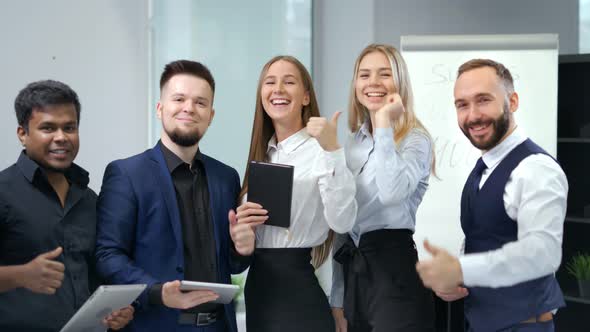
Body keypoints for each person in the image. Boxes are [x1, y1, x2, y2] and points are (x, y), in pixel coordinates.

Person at [95, 60, 253, 332]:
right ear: (160, 109)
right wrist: (156, 291)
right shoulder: (127, 173)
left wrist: (243, 249)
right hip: (155, 324)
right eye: (179, 99)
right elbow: (108, 254)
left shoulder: (226, 177)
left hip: (219, 327)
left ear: (211, 115)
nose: (189, 108)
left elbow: (231, 265)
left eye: (200, 103)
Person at [416, 59, 567, 332]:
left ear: (513, 101)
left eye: (483, 100)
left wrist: (462, 269)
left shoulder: (536, 169)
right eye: (462, 104)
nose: (472, 115)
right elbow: (487, 238)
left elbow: (542, 254)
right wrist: (455, 282)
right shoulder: (484, 167)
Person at [232, 55, 357, 332]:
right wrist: (243, 233)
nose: (278, 89)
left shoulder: (322, 151)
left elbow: (343, 222)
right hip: (259, 291)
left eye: (289, 82)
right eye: (270, 82)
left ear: (305, 97)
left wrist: (332, 151)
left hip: (297, 292)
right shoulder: (263, 155)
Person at [0, 80, 133, 331]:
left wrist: (115, 312)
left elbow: (95, 279)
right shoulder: (3, 192)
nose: (61, 137)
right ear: (22, 134)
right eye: (48, 128)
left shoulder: (89, 199)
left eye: (69, 127)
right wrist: (21, 275)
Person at [330, 44, 436, 332]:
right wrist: (338, 299)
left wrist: (384, 123)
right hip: (356, 274)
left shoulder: (416, 139)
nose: (373, 82)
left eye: (384, 74)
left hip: (395, 273)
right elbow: (344, 228)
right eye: (364, 75)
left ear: (399, 81)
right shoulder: (355, 143)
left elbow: (391, 193)